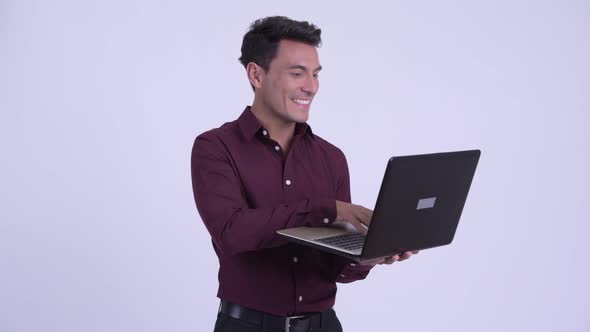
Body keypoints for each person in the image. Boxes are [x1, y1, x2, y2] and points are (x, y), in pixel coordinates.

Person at [191, 16, 417, 332]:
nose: (310, 86)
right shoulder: (215, 147)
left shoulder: (331, 158)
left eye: (315, 74)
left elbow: (334, 267)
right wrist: (326, 208)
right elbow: (232, 233)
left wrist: (368, 254)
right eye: (297, 73)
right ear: (256, 74)